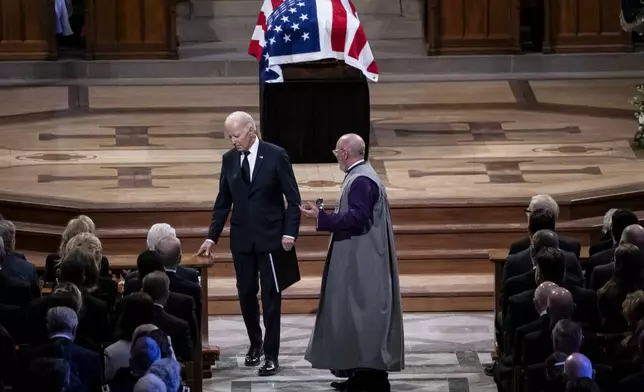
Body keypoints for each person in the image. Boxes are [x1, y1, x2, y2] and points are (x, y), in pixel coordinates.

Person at [197, 111, 301, 376]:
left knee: (271, 298)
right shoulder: (229, 160)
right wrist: (212, 236)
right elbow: (223, 202)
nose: (233, 141)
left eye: (236, 135)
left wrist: (290, 233)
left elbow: (293, 199)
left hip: (271, 240)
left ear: (251, 130)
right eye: (230, 136)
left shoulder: (276, 155)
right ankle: (255, 343)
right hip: (242, 241)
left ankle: (271, 354)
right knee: (245, 294)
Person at [300, 133, 404, 392]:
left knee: (364, 317)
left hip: (365, 263)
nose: (336, 158)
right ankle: (359, 375)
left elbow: (357, 218)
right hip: (362, 258)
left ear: (345, 153)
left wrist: (322, 218)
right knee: (355, 317)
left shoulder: (361, 181)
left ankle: (371, 380)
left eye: (337, 153)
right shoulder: (363, 175)